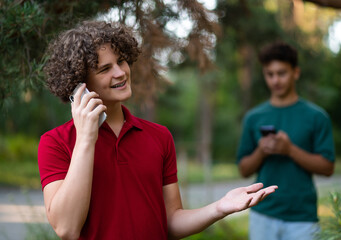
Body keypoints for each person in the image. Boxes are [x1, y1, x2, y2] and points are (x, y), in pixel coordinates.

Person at [38, 20, 277, 240]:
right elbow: (67, 228)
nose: (120, 73)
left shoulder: (159, 136)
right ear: (80, 83)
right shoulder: (55, 143)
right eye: (104, 69)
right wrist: (86, 139)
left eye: (121, 61)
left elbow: (171, 221)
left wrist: (220, 207)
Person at [236, 41, 335, 240]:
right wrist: (261, 151)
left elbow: (327, 168)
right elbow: (244, 169)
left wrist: (290, 150)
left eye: (282, 73)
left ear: (295, 73)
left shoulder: (316, 116)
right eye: (269, 74)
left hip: (302, 217)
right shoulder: (254, 117)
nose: (275, 80)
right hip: (262, 213)